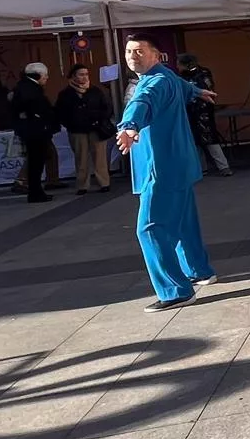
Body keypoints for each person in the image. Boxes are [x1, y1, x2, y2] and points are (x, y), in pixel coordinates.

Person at [115, 33, 220, 313]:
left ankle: (176, 291)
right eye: (128, 51)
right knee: (184, 222)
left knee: (150, 228)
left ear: (156, 55)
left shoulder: (154, 83)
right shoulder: (168, 76)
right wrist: (197, 91)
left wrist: (129, 126)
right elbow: (183, 87)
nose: (132, 56)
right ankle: (199, 270)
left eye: (139, 51)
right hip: (179, 163)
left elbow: (143, 102)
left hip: (160, 167)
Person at [54, 64, 114, 194]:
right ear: (73, 76)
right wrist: (70, 124)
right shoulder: (65, 94)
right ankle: (82, 185)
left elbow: (106, 107)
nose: (84, 77)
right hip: (77, 130)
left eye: (86, 74)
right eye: (81, 74)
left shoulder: (95, 91)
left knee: (100, 157)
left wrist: (100, 119)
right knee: (81, 158)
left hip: (96, 128)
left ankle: (104, 182)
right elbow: (60, 112)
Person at [11, 63, 59, 203]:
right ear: (38, 75)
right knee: (36, 162)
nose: (47, 78)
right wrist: (44, 121)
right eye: (45, 75)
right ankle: (35, 192)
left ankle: (36, 191)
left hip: (32, 129)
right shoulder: (30, 89)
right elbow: (35, 108)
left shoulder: (25, 87)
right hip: (35, 131)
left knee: (36, 162)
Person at [178, 54, 232, 177]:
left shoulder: (203, 73)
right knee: (195, 141)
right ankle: (202, 169)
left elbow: (208, 88)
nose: (177, 66)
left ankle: (224, 167)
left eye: (179, 64)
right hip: (189, 111)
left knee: (211, 139)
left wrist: (196, 94)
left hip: (204, 111)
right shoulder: (181, 77)